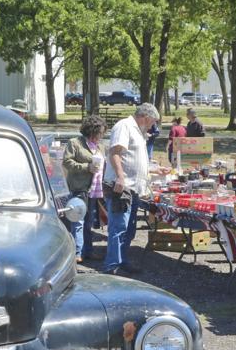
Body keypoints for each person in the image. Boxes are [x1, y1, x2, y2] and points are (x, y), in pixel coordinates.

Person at [103, 103, 164, 275]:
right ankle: (112, 266)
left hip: (133, 187)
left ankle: (122, 260)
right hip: (121, 186)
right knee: (118, 227)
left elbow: (134, 159)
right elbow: (114, 152)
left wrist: (154, 169)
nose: (153, 126)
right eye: (153, 122)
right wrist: (120, 177)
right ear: (145, 117)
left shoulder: (139, 131)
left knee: (129, 228)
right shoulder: (124, 126)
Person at [61, 115, 107, 263]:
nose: (100, 136)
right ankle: (76, 253)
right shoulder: (75, 143)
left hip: (95, 190)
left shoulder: (101, 147)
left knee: (89, 222)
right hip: (79, 188)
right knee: (78, 221)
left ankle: (88, 251)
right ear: (90, 131)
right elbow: (67, 162)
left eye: (101, 133)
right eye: (98, 133)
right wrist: (87, 167)